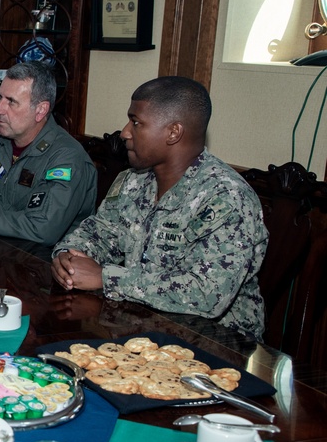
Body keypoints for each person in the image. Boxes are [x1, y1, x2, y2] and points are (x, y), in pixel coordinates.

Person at [51, 76, 268, 340]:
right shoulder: (132, 181)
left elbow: (206, 295)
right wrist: (68, 260)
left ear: (173, 132)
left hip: (216, 346)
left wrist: (107, 277)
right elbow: (97, 233)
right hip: (138, 326)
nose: (125, 132)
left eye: (136, 122)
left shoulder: (226, 197)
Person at [0, 61, 96, 247]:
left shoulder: (67, 158)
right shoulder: (2, 140)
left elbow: (41, 227)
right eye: (1, 98)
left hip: (46, 265)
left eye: (11, 102)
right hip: (0, 254)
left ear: (40, 110)